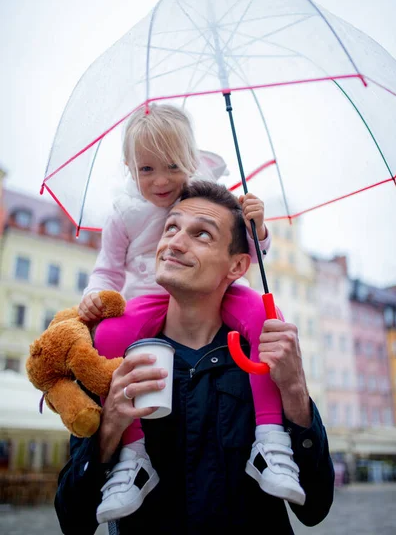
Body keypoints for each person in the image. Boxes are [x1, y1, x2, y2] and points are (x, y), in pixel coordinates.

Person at [55, 181, 335, 535]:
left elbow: (315, 507)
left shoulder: (263, 362)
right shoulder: (113, 362)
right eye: (171, 227)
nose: (174, 242)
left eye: (201, 234)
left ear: (236, 267)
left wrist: (294, 389)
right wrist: (109, 428)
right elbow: (73, 521)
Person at [78, 103, 304, 524]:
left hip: (218, 296)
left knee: (261, 317)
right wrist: (95, 297)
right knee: (107, 337)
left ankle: (270, 438)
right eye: (146, 170)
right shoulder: (123, 212)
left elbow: (247, 254)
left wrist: (259, 228)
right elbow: (107, 269)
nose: (161, 181)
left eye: (173, 166)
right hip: (148, 297)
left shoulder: (203, 196)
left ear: (193, 159)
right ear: (129, 168)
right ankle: (132, 454)